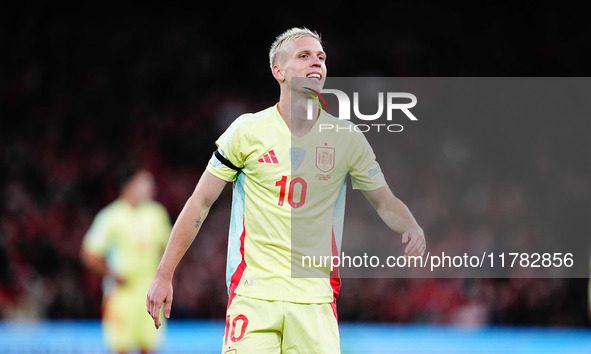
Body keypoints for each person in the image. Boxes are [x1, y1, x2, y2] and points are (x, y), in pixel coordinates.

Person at [146, 27, 426, 353]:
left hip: (315, 300)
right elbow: (201, 202)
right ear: (278, 71)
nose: (316, 63)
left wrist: (410, 225)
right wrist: (164, 273)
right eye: (304, 56)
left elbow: (385, 202)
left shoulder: (346, 137)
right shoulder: (247, 131)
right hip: (253, 295)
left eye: (321, 57)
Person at [82, 166, 171, 354]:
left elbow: (168, 248)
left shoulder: (156, 214)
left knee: (150, 347)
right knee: (120, 348)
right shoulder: (111, 217)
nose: (150, 188)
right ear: (128, 185)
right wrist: (113, 274)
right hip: (121, 295)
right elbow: (89, 253)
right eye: (144, 182)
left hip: (151, 292)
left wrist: (167, 276)